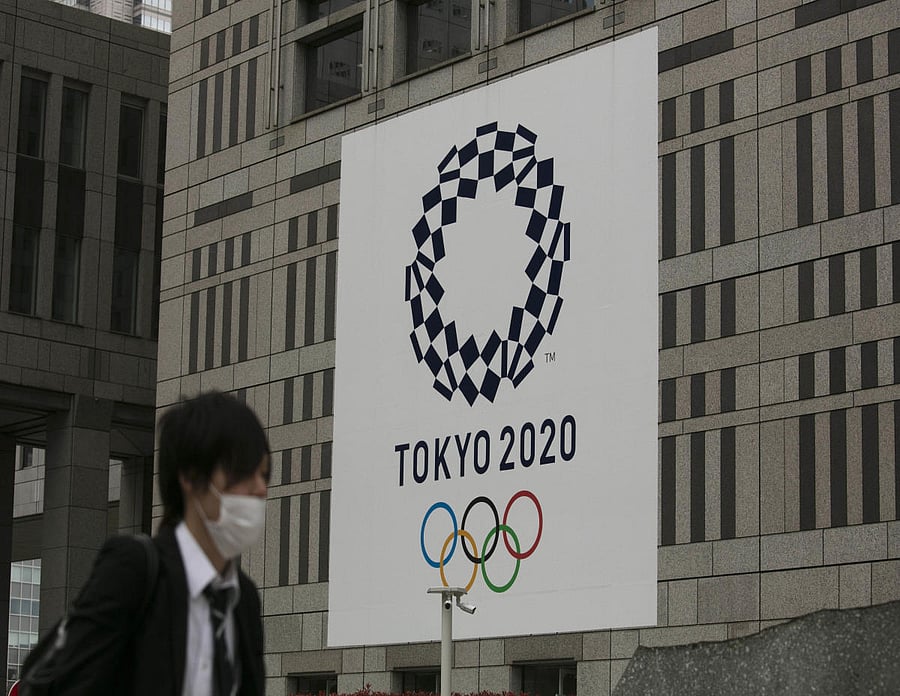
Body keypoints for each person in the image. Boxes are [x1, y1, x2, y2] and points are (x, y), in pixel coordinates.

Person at [43, 391, 270, 695]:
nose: (260, 489)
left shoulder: (244, 600)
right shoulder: (133, 568)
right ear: (190, 476)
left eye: (264, 474)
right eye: (242, 472)